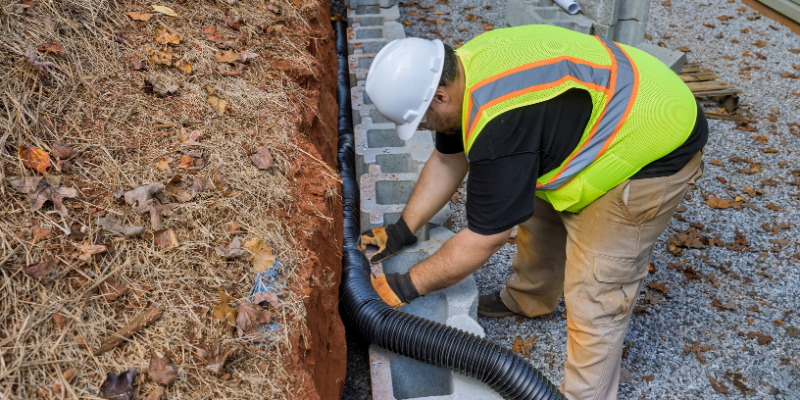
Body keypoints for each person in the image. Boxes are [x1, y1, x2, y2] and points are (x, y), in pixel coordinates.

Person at [360, 25, 707, 399]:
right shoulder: (462, 69)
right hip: (606, 110)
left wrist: (408, 285)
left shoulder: (498, 126)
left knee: (597, 291)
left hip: (651, 143)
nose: (425, 128)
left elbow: (483, 239)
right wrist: (402, 229)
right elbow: (447, 161)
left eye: (423, 120)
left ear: (440, 96)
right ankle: (529, 300)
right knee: (538, 215)